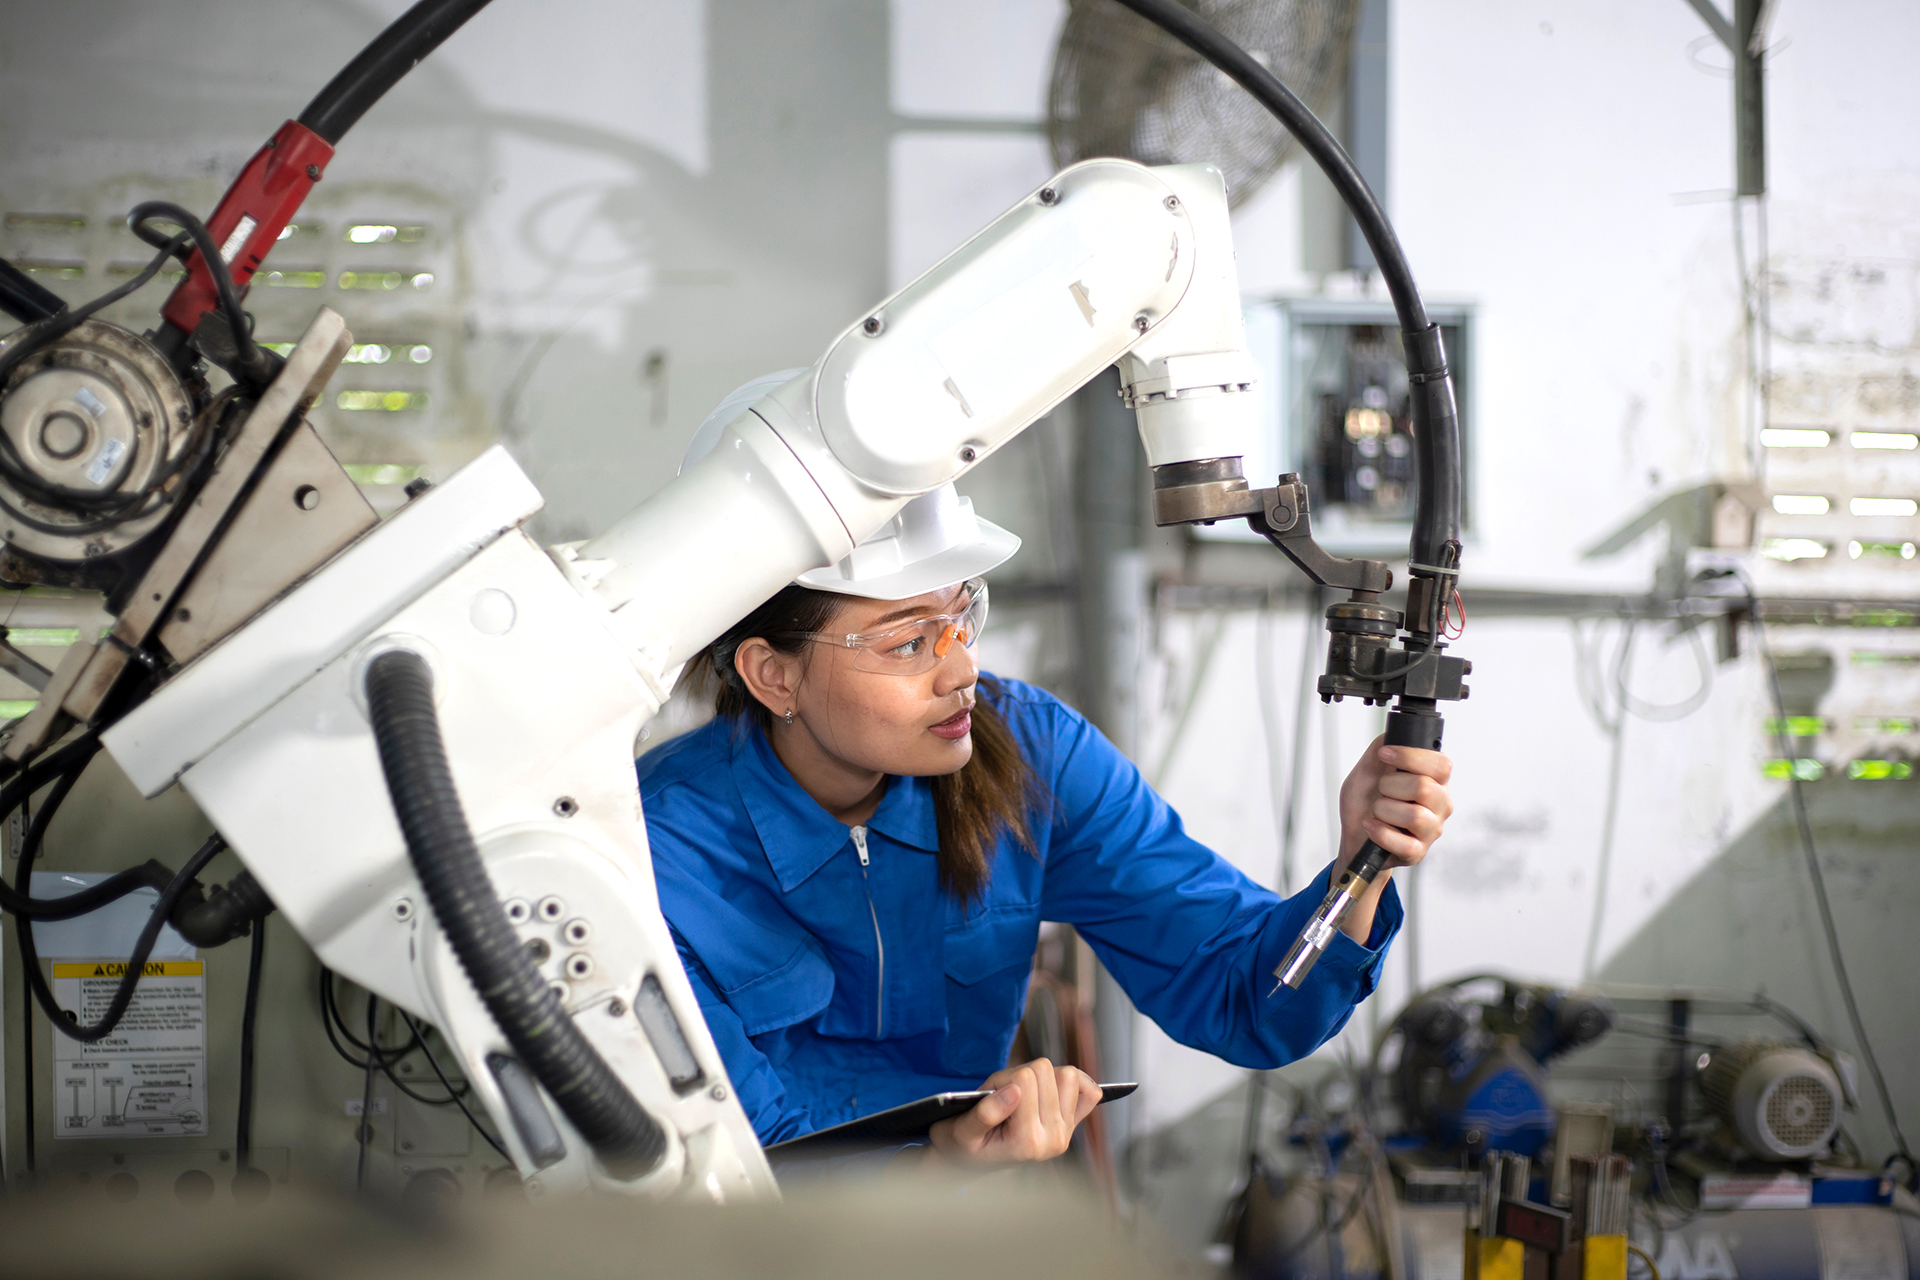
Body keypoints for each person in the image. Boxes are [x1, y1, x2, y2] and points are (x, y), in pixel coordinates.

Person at [637, 375, 1453, 1170]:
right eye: (909, 642)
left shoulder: (1033, 755)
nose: (962, 671)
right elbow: (723, 1165)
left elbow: (1245, 998)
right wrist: (935, 1163)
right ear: (772, 675)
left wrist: (1359, 870)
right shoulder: (653, 856)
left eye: (962, 615)